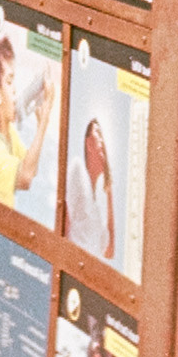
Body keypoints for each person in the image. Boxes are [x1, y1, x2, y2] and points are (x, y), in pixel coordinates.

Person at [0, 31, 56, 206]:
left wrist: (40, 120)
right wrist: (44, 122)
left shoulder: (7, 132)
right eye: (9, 82)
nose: (15, 91)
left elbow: (31, 168)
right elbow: (25, 178)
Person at [65, 112, 115, 261]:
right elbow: (64, 220)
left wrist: (110, 192)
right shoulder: (78, 169)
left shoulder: (98, 209)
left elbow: (109, 250)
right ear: (88, 143)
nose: (103, 142)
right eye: (98, 133)